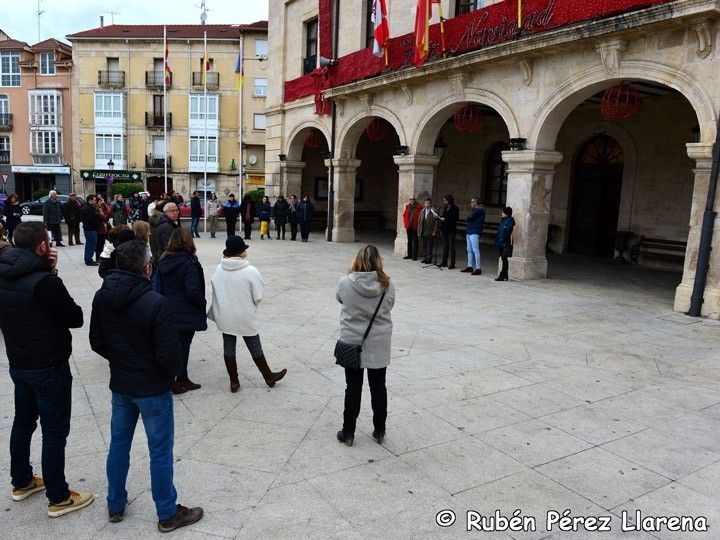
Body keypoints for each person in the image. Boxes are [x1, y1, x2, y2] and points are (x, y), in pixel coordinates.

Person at [89, 239, 204, 531]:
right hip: (152, 388)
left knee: (119, 445)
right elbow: (170, 356)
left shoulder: (102, 296)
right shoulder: (155, 302)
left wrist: (123, 360)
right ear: (146, 267)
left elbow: (97, 342)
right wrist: (163, 373)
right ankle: (167, 513)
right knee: (160, 450)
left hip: (122, 384)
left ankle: (115, 504)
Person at [0, 221, 93, 517]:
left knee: (23, 422)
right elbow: (75, 317)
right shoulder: (45, 282)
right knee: (54, 432)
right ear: (43, 246)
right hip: (49, 366)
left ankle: (22, 481)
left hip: (19, 363)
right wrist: (51, 274)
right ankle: (58, 496)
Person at [208, 236, 287, 392]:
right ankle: (268, 377)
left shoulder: (219, 269)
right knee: (254, 346)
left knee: (228, 348)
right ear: (242, 252)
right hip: (245, 315)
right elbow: (258, 296)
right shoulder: (251, 271)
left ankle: (234, 382)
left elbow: (215, 289)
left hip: (226, 314)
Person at [335, 244, 395, 447]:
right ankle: (379, 430)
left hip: (353, 343)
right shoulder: (387, 284)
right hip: (379, 342)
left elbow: (339, 298)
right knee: (379, 386)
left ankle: (348, 432)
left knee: (352, 387)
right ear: (379, 262)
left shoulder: (345, 282)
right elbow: (390, 305)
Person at [154, 228, 207, 394]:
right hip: (185, 311)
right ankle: (177, 380)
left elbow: (158, 287)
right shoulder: (189, 263)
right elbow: (193, 291)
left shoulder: (164, 260)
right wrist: (201, 302)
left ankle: (182, 378)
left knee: (177, 345)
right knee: (183, 346)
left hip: (168, 309)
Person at [462, 197, 485, 276]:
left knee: (475, 249)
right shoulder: (474, 211)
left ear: (476, 203)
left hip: (475, 231)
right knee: (469, 250)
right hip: (469, 231)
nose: (471, 203)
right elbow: (468, 218)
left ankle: (478, 268)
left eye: (472, 202)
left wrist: (468, 218)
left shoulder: (480, 210)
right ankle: (470, 266)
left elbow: (470, 217)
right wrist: (468, 218)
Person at [438, 194, 459, 269]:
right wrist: (440, 218)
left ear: (449, 200)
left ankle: (452, 263)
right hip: (445, 229)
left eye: (445, 201)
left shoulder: (455, 208)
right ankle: (444, 262)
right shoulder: (445, 207)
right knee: (445, 246)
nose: (444, 202)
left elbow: (455, 219)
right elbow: (444, 216)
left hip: (451, 230)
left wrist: (445, 219)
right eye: (444, 201)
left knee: (451, 246)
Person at [494, 206, 515, 282]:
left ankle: (502, 275)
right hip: (500, 242)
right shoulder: (503, 220)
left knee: (505, 259)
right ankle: (504, 274)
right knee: (503, 259)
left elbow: (507, 232)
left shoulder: (510, 221)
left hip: (505, 243)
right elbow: (500, 231)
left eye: (503, 212)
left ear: (506, 213)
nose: (502, 213)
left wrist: (502, 239)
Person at [418, 198, 439, 264]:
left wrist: (434, 231)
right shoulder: (422, 211)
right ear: (424, 204)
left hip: (430, 231)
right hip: (423, 231)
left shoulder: (434, 211)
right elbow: (419, 222)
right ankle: (425, 258)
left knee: (429, 246)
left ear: (430, 204)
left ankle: (429, 259)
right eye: (426, 203)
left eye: (428, 203)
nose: (427, 204)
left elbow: (436, 222)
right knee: (424, 246)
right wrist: (419, 231)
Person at [81, 195, 99, 266]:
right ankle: (88, 260)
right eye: (94, 200)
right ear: (90, 200)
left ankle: (88, 258)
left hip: (91, 229)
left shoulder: (90, 207)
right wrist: (95, 224)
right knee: (91, 245)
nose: (95, 201)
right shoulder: (87, 208)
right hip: (90, 229)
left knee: (90, 244)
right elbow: (89, 220)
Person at [95, 195, 111, 263]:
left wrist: (104, 203)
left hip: (104, 228)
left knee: (102, 244)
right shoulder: (96, 209)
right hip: (100, 229)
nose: (101, 203)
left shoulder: (102, 207)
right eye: (99, 202)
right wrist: (106, 216)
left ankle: (101, 257)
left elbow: (108, 212)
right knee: (99, 245)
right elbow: (103, 217)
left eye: (101, 201)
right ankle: (98, 257)